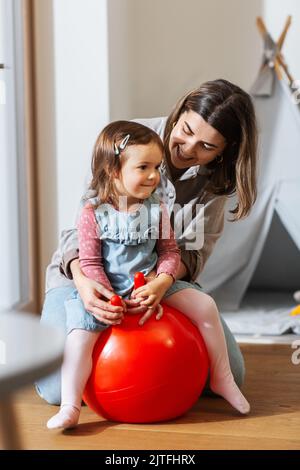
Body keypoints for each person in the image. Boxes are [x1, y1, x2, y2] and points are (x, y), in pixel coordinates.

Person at [36, 79, 258, 411]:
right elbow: (79, 233)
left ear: (224, 150)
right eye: (186, 130)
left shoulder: (215, 181)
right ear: (181, 110)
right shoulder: (127, 141)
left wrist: (161, 280)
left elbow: (193, 252)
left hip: (157, 277)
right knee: (56, 391)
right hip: (84, 272)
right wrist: (84, 283)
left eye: (207, 146)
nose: (187, 149)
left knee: (232, 374)